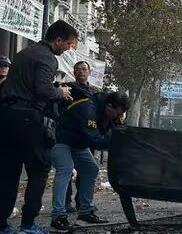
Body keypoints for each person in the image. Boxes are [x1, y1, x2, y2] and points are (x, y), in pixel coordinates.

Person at [0, 21, 76, 234]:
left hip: (6, 117)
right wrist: (60, 92)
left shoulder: (24, 53)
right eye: (68, 44)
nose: (69, 48)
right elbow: (42, 90)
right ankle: (28, 225)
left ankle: (2, 224)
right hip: (28, 119)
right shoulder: (48, 58)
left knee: (8, 172)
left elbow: (23, 85)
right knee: (39, 170)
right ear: (58, 40)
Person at [50, 91, 129, 230]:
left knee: (91, 169)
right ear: (109, 106)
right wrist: (113, 140)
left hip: (78, 144)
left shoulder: (111, 113)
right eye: (117, 113)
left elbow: (119, 130)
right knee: (65, 169)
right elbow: (95, 140)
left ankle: (86, 212)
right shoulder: (88, 109)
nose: (118, 117)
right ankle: (58, 216)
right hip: (61, 140)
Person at [64, 61, 100, 214]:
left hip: (88, 135)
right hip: (70, 135)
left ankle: (82, 202)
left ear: (89, 72)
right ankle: (65, 203)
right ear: (74, 72)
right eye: (78, 70)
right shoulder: (69, 88)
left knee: (86, 170)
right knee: (66, 170)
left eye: (84, 69)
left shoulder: (94, 91)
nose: (81, 72)